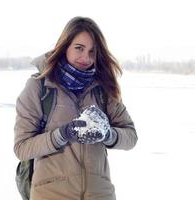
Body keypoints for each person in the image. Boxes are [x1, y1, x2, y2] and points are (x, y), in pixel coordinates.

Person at [14, 16, 138, 200]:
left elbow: (131, 137)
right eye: (79, 48)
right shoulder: (40, 87)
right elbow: (22, 148)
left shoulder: (103, 89)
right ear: (65, 47)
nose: (86, 57)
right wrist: (62, 134)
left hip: (100, 194)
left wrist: (108, 134)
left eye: (92, 51)